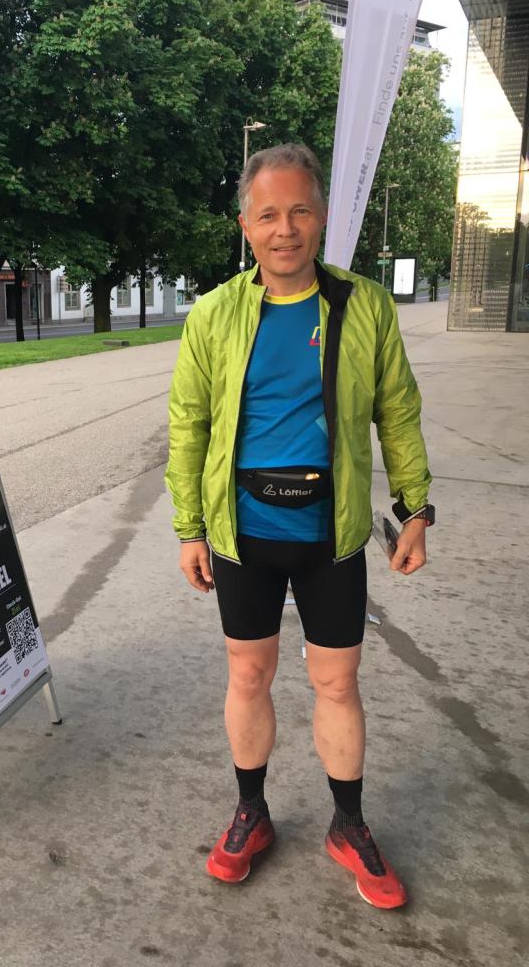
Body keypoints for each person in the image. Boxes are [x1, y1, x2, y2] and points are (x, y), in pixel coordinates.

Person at [165, 143, 434, 910]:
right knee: (247, 675)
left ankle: (348, 824)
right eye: (268, 215)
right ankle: (251, 811)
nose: (285, 229)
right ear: (246, 227)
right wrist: (190, 528)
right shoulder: (215, 314)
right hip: (242, 534)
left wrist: (415, 509)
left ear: (322, 217)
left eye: (300, 211)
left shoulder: (364, 306)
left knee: (336, 682)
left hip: (331, 536)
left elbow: (397, 412)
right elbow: (188, 424)